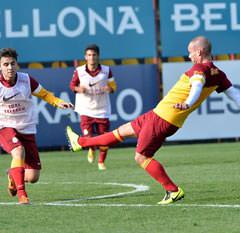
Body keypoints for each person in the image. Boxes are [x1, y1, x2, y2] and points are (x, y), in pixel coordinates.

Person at [66, 36, 240, 204]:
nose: (189, 56)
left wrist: (187, 103)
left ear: (200, 51)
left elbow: (197, 85)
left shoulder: (199, 70)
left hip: (163, 118)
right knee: (121, 131)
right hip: (158, 114)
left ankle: (173, 190)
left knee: (141, 157)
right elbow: (235, 95)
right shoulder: (218, 73)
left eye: (191, 52)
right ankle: (80, 142)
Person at [0, 48, 73, 204]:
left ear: (17, 65)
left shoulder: (27, 80)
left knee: (33, 177)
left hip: (26, 127)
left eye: (12, 64)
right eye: (5, 64)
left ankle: (12, 175)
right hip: (3, 126)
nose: (9, 67)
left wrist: (57, 102)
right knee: (18, 151)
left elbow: (44, 94)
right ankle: (22, 195)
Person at [70, 44, 117, 171]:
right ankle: (91, 148)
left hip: (102, 109)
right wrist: (78, 89)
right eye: (89, 55)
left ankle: (101, 161)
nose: (91, 58)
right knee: (88, 136)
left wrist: (110, 88)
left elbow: (114, 86)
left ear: (98, 56)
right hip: (85, 109)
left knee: (105, 139)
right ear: (85, 57)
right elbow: (72, 85)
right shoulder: (79, 71)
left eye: (94, 55)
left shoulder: (106, 70)